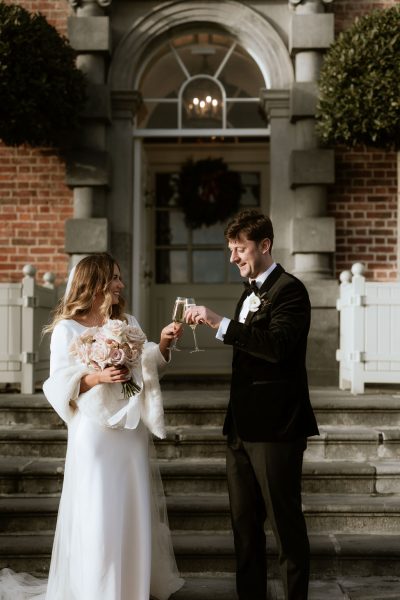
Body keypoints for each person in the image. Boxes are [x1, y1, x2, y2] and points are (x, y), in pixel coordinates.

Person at [0, 253, 184, 600]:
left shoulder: (126, 321)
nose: (121, 284)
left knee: (130, 506)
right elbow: (56, 385)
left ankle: (130, 587)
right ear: (96, 283)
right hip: (94, 434)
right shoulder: (66, 328)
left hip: (129, 430)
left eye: (119, 277)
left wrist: (162, 344)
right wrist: (98, 375)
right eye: (114, 277)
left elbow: (145, 364)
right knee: (97, 509)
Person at [185, 209, 319, 600]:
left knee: (285, 527)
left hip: (277, 429)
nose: (233, 258)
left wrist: (220, 324)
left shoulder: (290, 290)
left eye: (239, 249)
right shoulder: (248, 291)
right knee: (244, 529)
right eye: (230, 250)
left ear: (264, 245)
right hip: (240, 430)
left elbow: (277, 348)